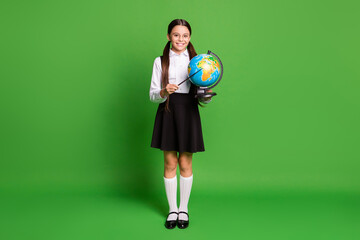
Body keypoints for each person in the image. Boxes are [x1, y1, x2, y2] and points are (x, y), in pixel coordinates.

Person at [149, 19, 212, 229]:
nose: (181, 39)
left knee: (185, 163)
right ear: (169, 37)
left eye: (185, 36)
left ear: (189, 38)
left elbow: (202, 96)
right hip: (168, 110)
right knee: (170, 163)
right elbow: (152, 95)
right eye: (176, 35)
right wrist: (164, 92)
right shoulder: (160, 62)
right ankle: (172, 210)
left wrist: (206, 95)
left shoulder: (197, 61)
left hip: (189, 112)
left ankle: (183, 209)